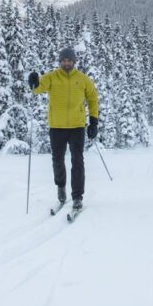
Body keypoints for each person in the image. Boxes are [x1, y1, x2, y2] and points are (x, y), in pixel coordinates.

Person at [28, 47, 99, 211]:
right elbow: (38, 89)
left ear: (74, 62)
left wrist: (94, 122)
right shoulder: (52, 77)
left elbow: (93, 99)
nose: (66, 63)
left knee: (77, 160)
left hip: (77, 126)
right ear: (60, 62)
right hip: (57, 127)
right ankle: (61, 186)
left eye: (69, 60)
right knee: (57, 160)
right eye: (64, 60)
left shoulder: (83, 79)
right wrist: (34, 82)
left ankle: (77, 196)